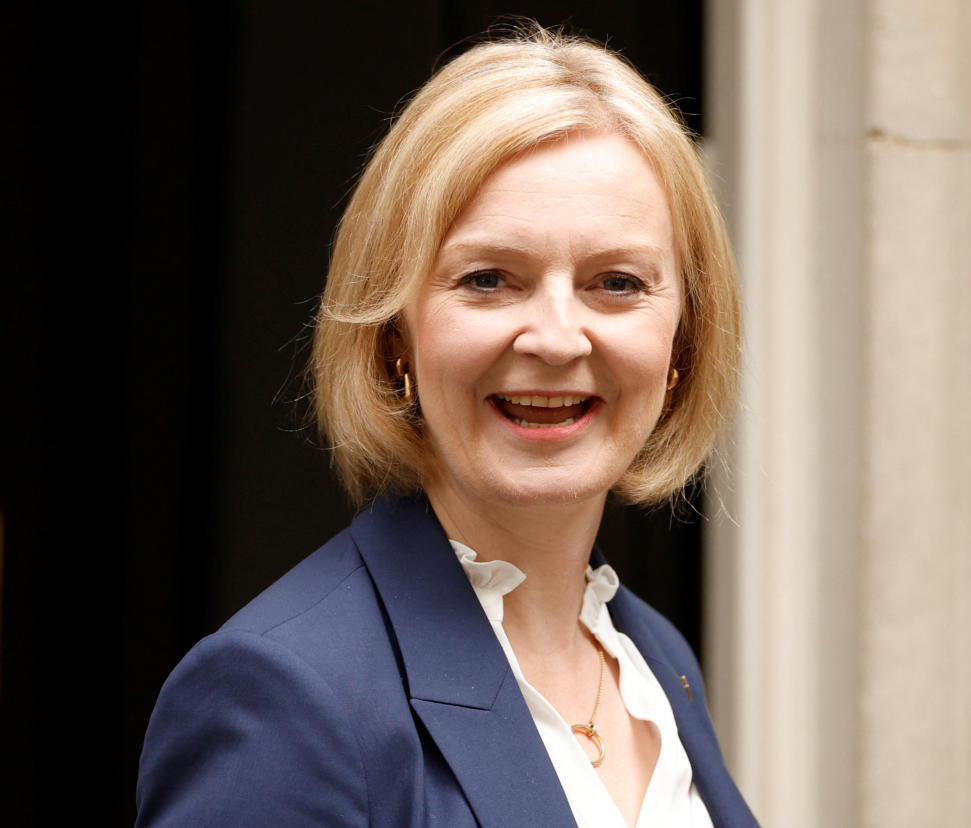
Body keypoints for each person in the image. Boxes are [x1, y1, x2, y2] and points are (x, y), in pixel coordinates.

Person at [136, 26, 754, 827]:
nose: (558, 337)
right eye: (489, 279)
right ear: (395, 334)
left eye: (617, 282)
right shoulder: (284, 695)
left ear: (683, 340)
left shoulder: (653, 658)